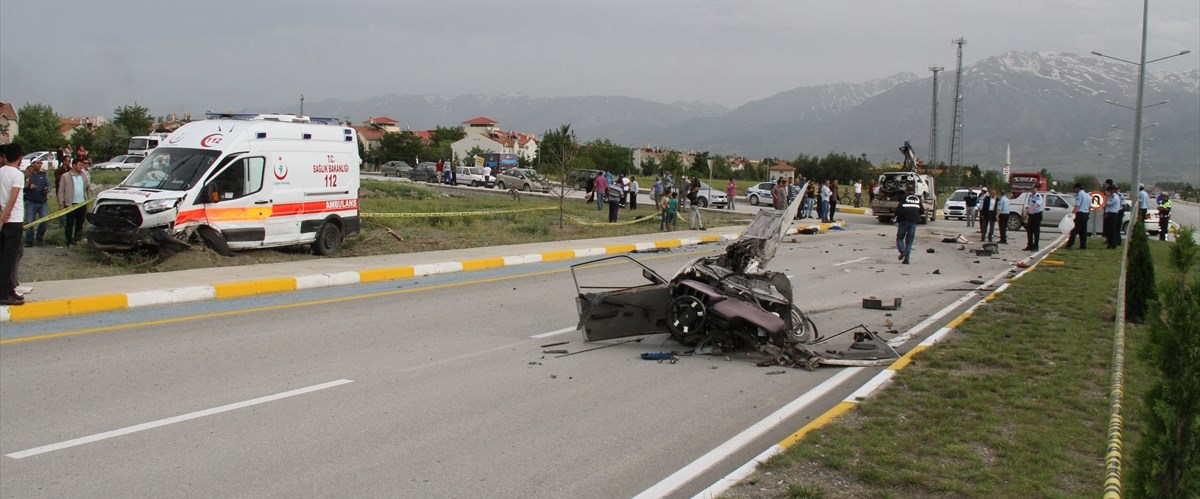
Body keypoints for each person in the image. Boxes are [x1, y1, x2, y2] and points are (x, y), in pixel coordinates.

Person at [1, 143, 26, 305]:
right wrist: (5, 217)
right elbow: (13, 198)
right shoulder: (17, 174)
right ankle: (4, 293)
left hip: (3, 219)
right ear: (20, 158)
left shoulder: (1, 172)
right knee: (9, 259)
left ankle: (10, 289)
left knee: (3, 255)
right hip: (13, 220)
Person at [57, 157, 92, 248]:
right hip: (70, 203)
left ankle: (77, 240)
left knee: (80, 223)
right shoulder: (65, 176)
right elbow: (61, 191)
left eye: (82, 165)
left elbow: (86, 188)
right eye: (80, 165)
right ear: (74, 165)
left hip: (82, 203)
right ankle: (69, 241)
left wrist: (88, 187)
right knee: (70, 223)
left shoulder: (83, 175)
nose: (81, 167)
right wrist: (61, 203)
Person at [23, 159, 51, 247]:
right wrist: (28, 185)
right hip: (31, 201)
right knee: (29, 222)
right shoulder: (27, 174)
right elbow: (22, 187)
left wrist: (47, 190)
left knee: (45, 220)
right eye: (37, 163)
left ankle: (39, 237)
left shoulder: (44, 174)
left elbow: (49, 185)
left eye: (41, 163)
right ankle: (29, 240)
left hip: (42, 201)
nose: (39, 165)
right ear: (33, 164)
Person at [895, 190, 922, 265]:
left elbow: (898, 210)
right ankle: (907, 258)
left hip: (903, 221)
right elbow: (922, 211)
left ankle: (902, 251)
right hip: (913, 222)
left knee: (900, 238)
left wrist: (896, 218)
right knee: (909, 241)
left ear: (906, 191)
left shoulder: (903, 198)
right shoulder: (918, 199)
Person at [1065, 182, 1091, 250]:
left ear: (1078, 188)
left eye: (1075, 188)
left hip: (1080, 214)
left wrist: (1073, 213)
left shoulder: (1080, 194)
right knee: (1083, 231)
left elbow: (1077, 205)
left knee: (1074, 230)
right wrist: (1088, 213)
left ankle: (1070, 245)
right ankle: (1083, 245)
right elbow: (1089, 206)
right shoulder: (1088, 195)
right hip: (1086, 214)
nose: (1075, 190)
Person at [1103, 184, 1123, 249]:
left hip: (1113, 215)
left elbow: (1107, 204)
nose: (1107, 193)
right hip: (1109, 214)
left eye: (1108, 191)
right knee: (1108, 230)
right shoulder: (1111, 197)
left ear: (1111, 191)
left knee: (1112, 230)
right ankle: (1110, 243)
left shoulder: (1115, 197)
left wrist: (1106, 197)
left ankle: (1113, 244)